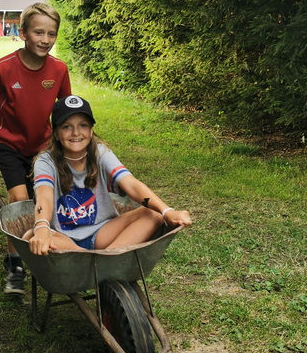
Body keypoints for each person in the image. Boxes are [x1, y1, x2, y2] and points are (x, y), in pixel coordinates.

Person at [0, 2, 71, 292]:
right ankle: (15, 264)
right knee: (19, 200)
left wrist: (67, 149)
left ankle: (46, 247)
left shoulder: (59, 70)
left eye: (51, 34)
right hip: (8, 145)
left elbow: (65, 114)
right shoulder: (4, 67)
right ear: (23, 33)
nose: (45, 40)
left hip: (43, 148)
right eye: (38, 32)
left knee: (43, 202)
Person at [27, 95, 191, 256]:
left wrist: (167, 211)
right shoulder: (46, 161)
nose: (76, 132)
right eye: (66, 127)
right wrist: (41, 228)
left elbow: (131, 184)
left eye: (83, 125)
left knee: (153, 214)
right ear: (56, 133)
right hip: (63, 237)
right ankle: (101, 260)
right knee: (31, 236)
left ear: (91, 130)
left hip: (102, 233)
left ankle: (104, 259)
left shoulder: (100, 153)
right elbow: (44, 196)